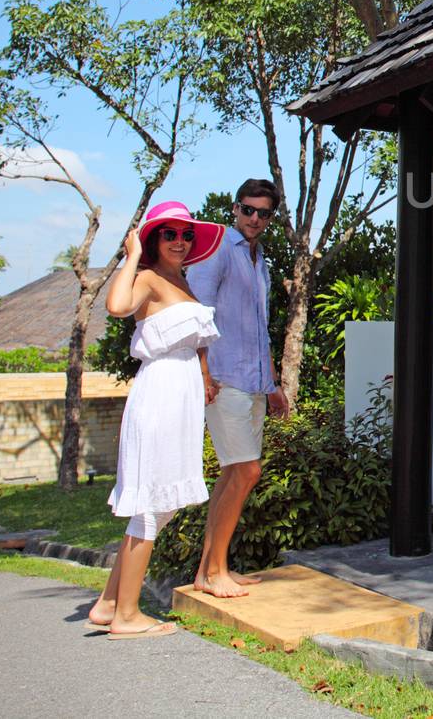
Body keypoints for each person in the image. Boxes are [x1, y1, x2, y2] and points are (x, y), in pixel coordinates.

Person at [86, 200, 225, 639]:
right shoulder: (146, 276)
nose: (180, 241)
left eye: (186, 234)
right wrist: (130, 258)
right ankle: (127, 615)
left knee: (161, 505)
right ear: (152, 240)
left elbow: (196, 341)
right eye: (169, 234)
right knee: (149, 501)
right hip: (160, 391)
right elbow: (116, 305)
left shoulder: (180, 281)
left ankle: (110, 603)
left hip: (181, 393)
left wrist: (204, 377)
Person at [187, 178, 291, 599]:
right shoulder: (217, 253)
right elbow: (196, 316)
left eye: (263, 213)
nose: (254, 219)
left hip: (253, 383)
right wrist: (203, 374)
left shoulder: (259, 258)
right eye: (248, 209)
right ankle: (214, 573)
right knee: (248, 471)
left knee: (233, 473)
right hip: (224, 380)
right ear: (235, 209)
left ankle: (210, 570)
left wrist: (273, 385)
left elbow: (259, 330)